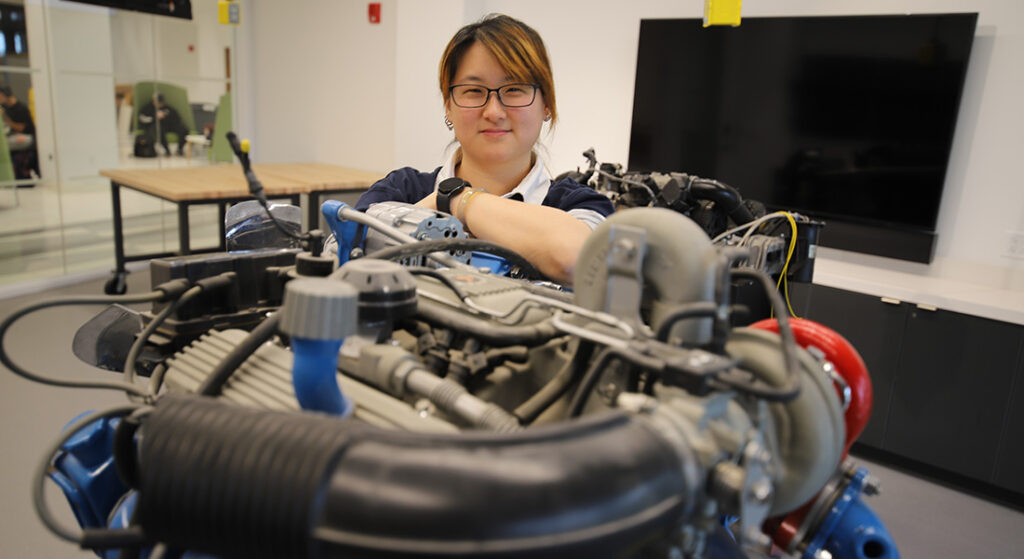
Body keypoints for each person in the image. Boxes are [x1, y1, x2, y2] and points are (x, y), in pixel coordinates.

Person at [356, 14, 613, 284]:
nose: (493, 111)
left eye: (514, 89)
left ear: (546, 104)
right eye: (474, 91)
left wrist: (456, 200)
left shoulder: (579, 205)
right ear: (448, 106)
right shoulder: (402, 190)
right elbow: (343, 252)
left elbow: (578, 260)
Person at [0, 85, 39, 180]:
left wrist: (4, 117)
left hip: (27, 139)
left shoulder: (21, 108)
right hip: (14, 137)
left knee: (5, 145)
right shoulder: (6, 107)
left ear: (6, 95)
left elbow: (20, 128)